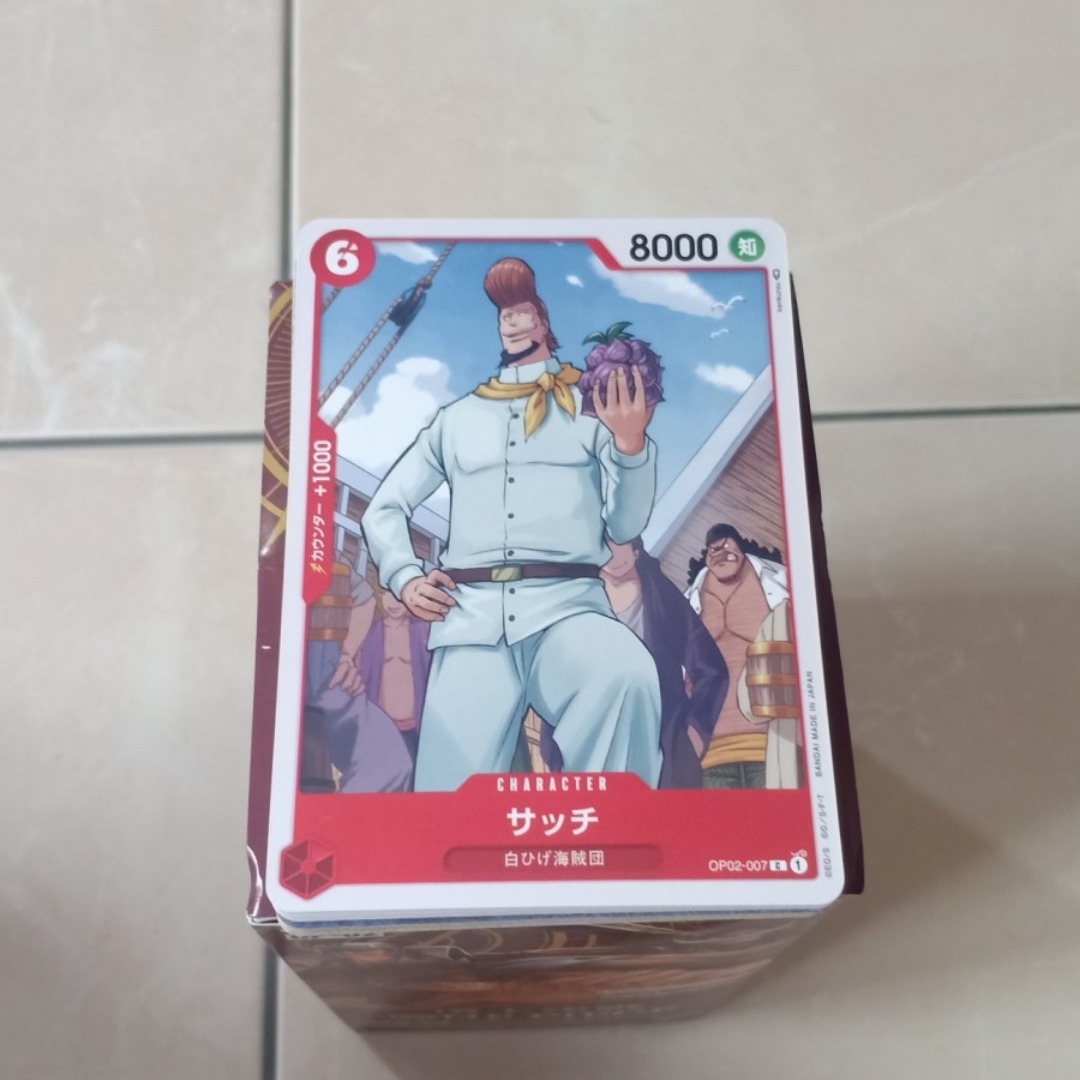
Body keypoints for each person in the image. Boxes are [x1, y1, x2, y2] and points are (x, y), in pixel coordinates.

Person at [362, 257, 663, 791]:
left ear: (544, 321)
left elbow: (625, 525)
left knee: (627, 676)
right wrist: (404, 577)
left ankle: (617, 832)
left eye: (523, 312)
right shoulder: (456, 420)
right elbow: (384, 507)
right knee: (447, 792)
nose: (514, 322)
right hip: (471, 620)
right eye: (505, 315)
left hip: (568, 610)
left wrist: (631, 445)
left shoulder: (592, 411)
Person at [535, 537, 729, 787]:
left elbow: (711, 668)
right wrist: (555, 753)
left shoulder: (660, 595)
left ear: (636, 550)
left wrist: (695, 733)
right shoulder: (579, 602)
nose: (614, 556)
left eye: (620, 544)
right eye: (605, 546)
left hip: (666, 750)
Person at [684, 524, 791, 789]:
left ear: (740, 546)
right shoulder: (686, 605)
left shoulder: (782, 585)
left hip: (773, 749)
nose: (719, 552)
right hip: (710, 756)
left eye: (726, 545)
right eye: (713, 549)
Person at [303, 564, 414, 793]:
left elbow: (364, 599)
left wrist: (346, 655)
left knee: (392, 763)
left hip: (330, 679)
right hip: (294, 677)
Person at [357, 584, 432, 763]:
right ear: (380, 596)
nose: (393, 602)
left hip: (415, 727)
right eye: (387, 594)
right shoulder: (370, 632)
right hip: (381, 727)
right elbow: (362, 679)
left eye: (399, 595)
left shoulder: (423, 631)